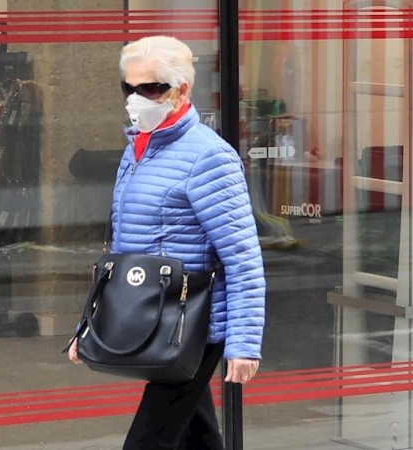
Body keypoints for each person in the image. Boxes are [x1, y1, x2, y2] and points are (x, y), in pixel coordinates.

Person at [68, 36, 266, 449]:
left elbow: (243, 256)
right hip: (153, 317)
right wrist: (88, 326)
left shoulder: (209, 156)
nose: (138, 97)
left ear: (182, 90)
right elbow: (121, 253)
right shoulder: (137, 149)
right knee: (197, 435)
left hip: (192, 322)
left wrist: (244, 344)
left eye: (152, 88)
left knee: (146, 441)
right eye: (130, 87)